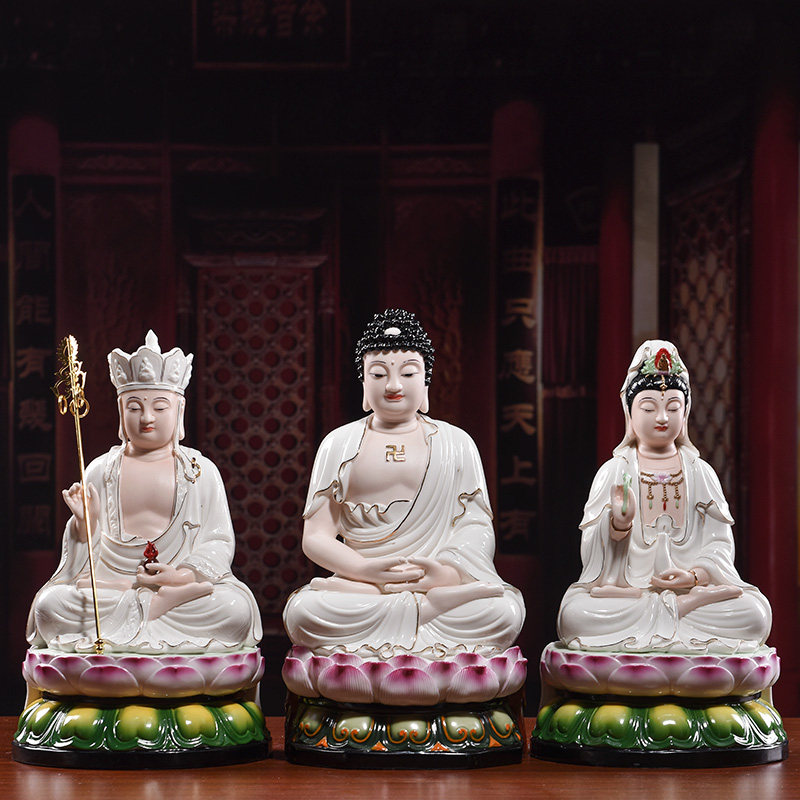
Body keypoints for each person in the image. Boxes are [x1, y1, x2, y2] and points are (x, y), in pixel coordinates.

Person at [283, 309, 524, 657]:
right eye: (378, 374)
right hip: (363, 587)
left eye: (408, 373)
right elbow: (316, 536)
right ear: (364, 384)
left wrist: (447, 574)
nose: (394, 385)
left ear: (425, 382)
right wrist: (364, 569)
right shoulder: (338, 444)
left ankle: (417, 614)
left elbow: (476, 526)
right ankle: (423, 617)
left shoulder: (457, 444)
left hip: (436, 585)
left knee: (503, 613)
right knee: (305, 613)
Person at [27, 331, 262, 653]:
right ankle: (155, 608)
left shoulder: (200, 470)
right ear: (120, 410)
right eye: (135, 408)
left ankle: (157, 605)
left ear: (179, 410)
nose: (147, 418)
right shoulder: (100, 470)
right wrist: (85, 524)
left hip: (178, 585)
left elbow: (218, 540)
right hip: (113, 585)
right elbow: (83, 561)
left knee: (234, 609)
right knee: (51, 605)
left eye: (160, 408)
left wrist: (182, 575)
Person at [557, 340, 771, 653]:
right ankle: (675, 618)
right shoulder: (614, 471)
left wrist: (695, 577)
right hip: (632, 593)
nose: (662, 417)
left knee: (755, 613)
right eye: (648, 408)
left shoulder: (700, 472)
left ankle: (672, 615)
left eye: (673, 408)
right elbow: (591, 555)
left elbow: (720, 544)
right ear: (630, 412)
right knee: (577, 616)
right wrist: (617, 526)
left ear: (686, 413)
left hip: (691, 592)